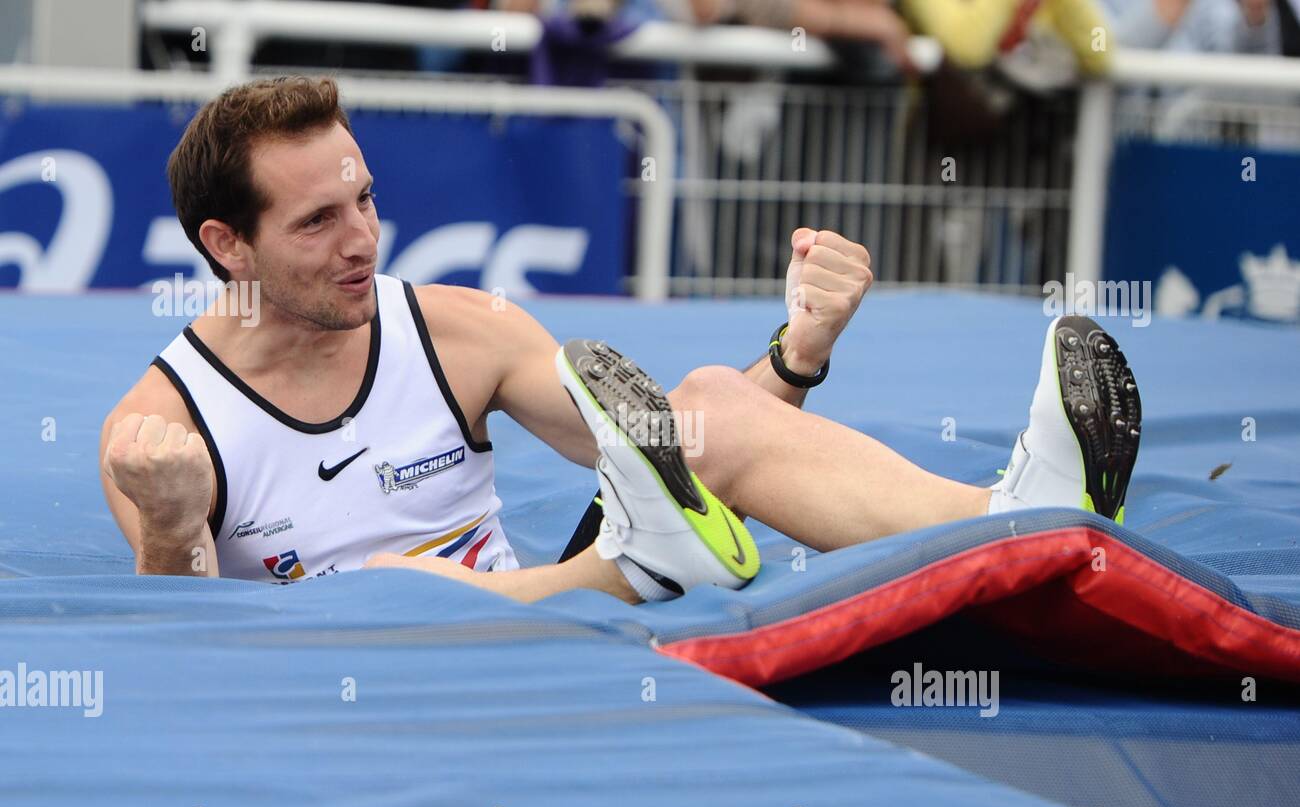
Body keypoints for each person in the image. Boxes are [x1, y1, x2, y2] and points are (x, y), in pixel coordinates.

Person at [100, 75, 1142, 604]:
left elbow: (673, 457)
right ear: (226, 244)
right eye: (317, 222)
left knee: (706, 405)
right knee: (388, 588)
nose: (363, 239)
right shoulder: (159, 432)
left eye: (365, 200)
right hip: (352, 694)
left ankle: (1013, 519)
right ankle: (631, 568)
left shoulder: (461, 330)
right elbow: (197, 664)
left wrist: (798, 353)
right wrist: (169, 530)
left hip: (543, 646)